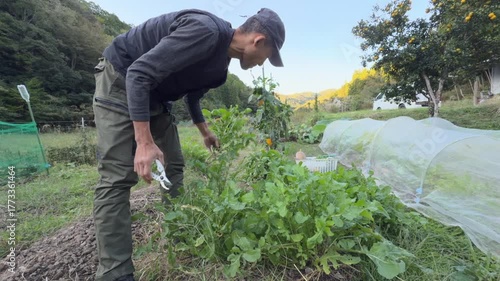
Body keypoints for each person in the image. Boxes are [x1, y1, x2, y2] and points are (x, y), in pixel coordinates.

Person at [92, 7, 285, 281]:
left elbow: (192, 98)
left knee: (175, 163)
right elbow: (138, 73)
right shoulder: (205, 31)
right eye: (269, 56)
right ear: (259, 41)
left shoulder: (219, 70)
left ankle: (178, 229)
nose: (263, 63)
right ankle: (115, 272)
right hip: (121, 78)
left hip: (156, 96)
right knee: (118, 176)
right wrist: (144, 142)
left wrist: (205, 131)